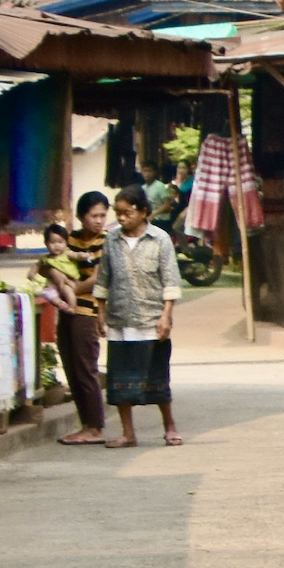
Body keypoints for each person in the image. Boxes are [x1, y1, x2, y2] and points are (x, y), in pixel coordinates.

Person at [91, 185, 182, 448]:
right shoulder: (112, 240)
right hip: (120, 318)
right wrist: (100, 312)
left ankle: (170, 425)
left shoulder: (160, 239)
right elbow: (104, 279)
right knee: (119, 381)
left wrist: (166, 316)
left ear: (143, 211)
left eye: (127, 212)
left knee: (157, 378)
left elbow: (170, 281)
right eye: (117, 213)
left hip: (151, 319)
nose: (121, 218)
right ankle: (128, 433)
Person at [46, 193, 110, 445]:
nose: (99, 221)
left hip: (88, 311)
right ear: (82, 216)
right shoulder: (70, 239)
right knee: (71, 368)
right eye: (94, 215)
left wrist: (72, 288)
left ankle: (95, 427)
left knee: (86, 369)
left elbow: (98, 279)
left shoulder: (107, 241)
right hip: (67, 310)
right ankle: (86, 424)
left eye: (103, 215)